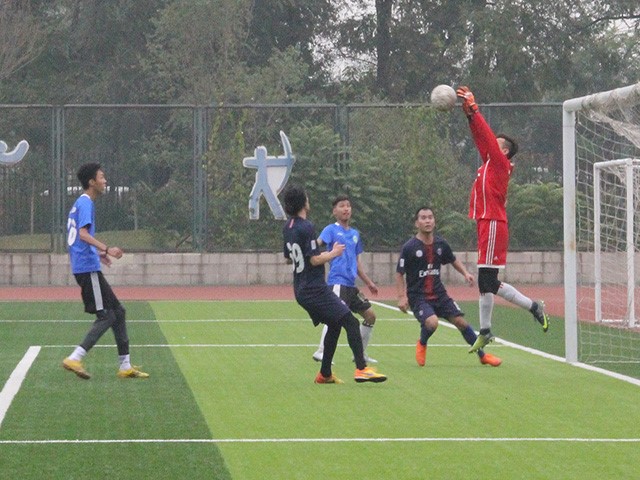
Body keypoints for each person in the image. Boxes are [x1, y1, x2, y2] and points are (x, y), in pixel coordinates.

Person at [456, 85, 549, 353]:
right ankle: (486, 330)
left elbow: (485, 136)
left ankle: (532, 307)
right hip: (486, 222)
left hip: (494, 223)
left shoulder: (500, 163)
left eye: (497, 144)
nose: (491, 145)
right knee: (486, 282)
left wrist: (475, 109)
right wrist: (469, 116)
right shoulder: (490, 162)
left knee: (488, 282)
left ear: (505, 151)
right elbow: (481, 138)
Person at [282, 184, 387, 384]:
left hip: (301, 288)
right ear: (303, 202)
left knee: (335, 324)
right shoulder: (306, 227)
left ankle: (325, 374)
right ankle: (361, 369)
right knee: (351, 322)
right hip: (314, 289)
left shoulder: (288, 227)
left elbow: (288, 258)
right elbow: (314, 260)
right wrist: (333, 253)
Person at [62, 162, 148, 380]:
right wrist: (107, 249)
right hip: (86, 269)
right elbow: (82, 234)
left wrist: (97, 253)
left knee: (118, 311)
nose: (105, 180)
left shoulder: (81, 203)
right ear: (92, 182)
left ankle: (125, 366)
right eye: (101, 177)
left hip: (88, 264)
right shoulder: (86, 203)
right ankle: (75, 357)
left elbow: (78, 238)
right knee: (107, 316)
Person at [396, 206, 502, 367]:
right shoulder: (409, 247)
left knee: (461, 322)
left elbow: (452, 259)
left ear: (434, 221)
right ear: (417, 223)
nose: (427, 221)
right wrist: (401, 297)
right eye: (423, 218)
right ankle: (422, 343)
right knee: (432, 323)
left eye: (430, 217)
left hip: (439, 294)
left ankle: (483, 355)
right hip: (418, 296)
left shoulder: (440, 244)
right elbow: (399, 273)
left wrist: (465, 273)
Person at [312, 194, 379, 365]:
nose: (346, 209)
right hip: (337, 282)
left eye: (348, 205)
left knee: (370, 316)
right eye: (342, 206)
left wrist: (369, 283)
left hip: (351, 286)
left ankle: (360, 353)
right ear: (334, 211)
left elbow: (357, 263)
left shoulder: (355, 234)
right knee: (334, 317)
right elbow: (315, 245)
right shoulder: (330, 230)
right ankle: (321, 351)